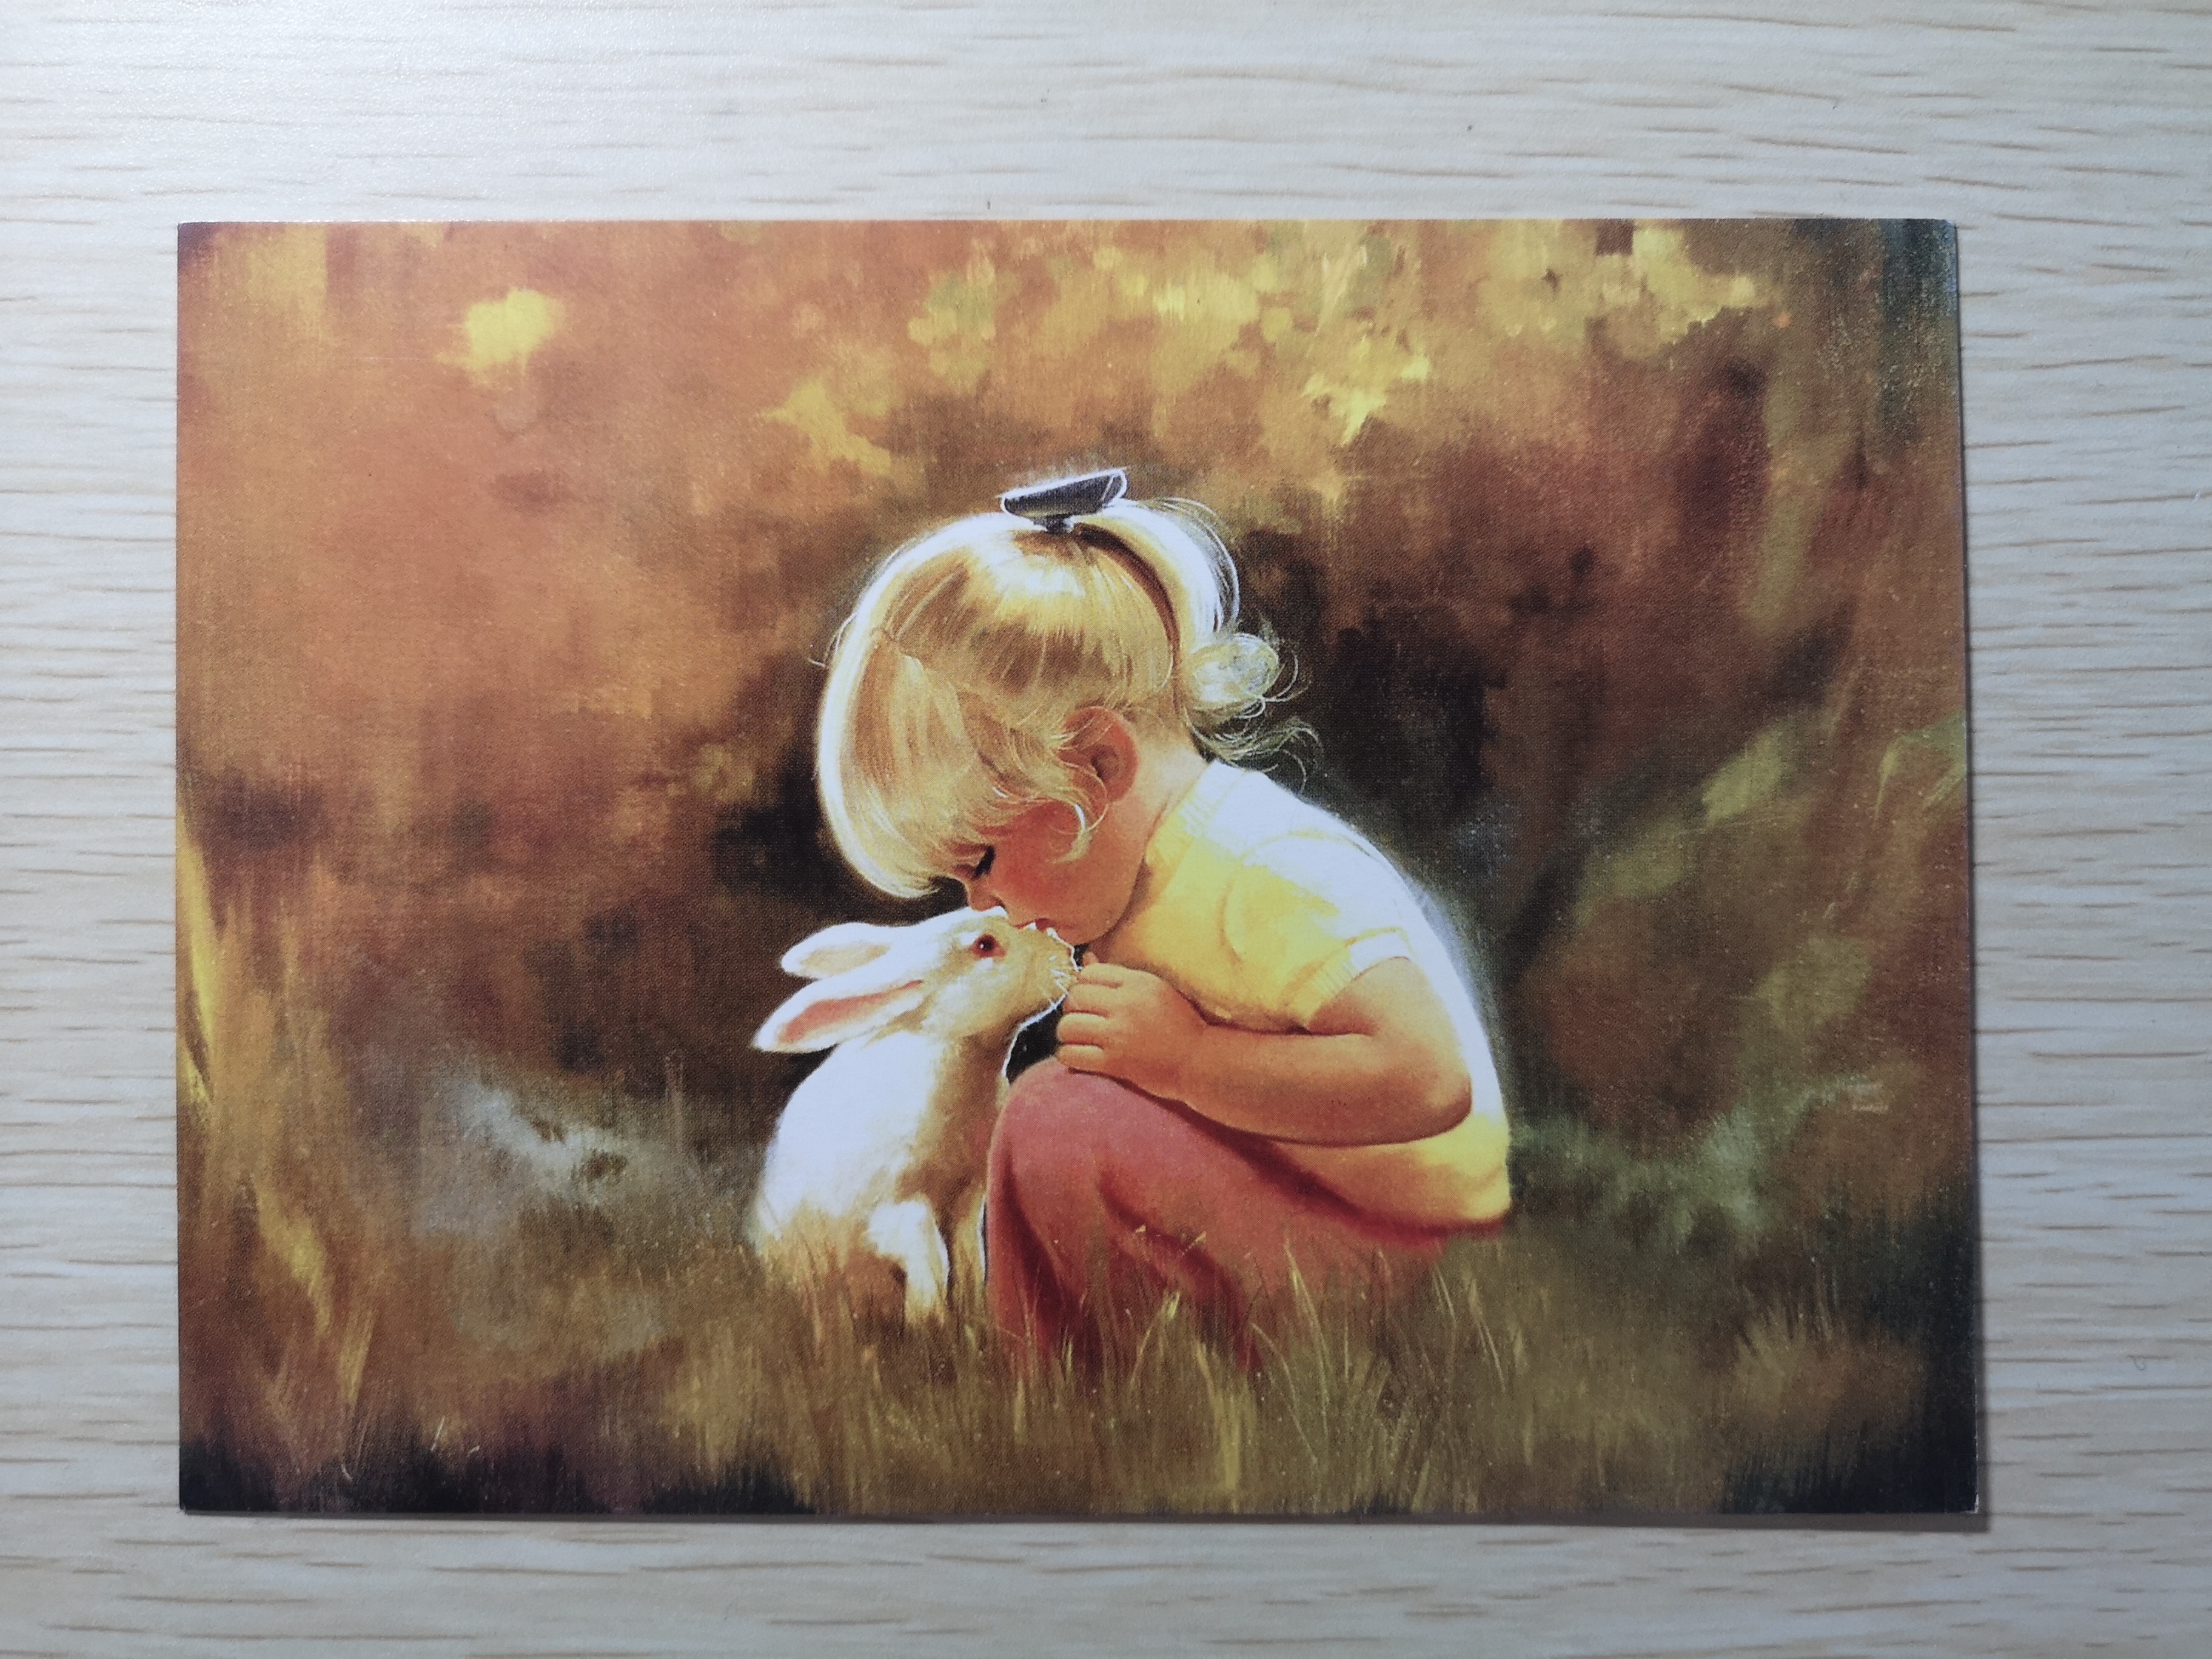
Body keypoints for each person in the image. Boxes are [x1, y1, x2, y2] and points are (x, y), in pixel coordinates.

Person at [813, 468, 1511, 1363]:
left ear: (1099, 769)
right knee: (1053, 1111)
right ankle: (1050, 1386)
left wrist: (1192, 1061)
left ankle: (1066, 1388)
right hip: (1297, 1201)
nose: (981, 902)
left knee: (1059, 1121)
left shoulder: (1266, 867)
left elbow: (1427, 1080)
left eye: (981, 860)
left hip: (1390, 1247)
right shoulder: (1132, 879)